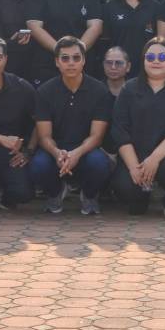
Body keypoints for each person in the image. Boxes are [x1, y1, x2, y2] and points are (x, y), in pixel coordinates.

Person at [110, 38, 165, 217]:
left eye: (162, 57)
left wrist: (154, 159)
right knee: (126, 190)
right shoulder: (129, 89)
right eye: (150, 57)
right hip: (136, 156)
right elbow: (120, 130)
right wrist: (134, 167)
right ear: (143, 61)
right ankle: (142, 194)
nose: (156, 61)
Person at [31, 37, 115, 214]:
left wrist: (77, 153)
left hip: (86, 151)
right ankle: (55, 192)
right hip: (56, 152)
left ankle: (89, 195)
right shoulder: (45, 91)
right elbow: (44, 136)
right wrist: (57, 153)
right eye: (65, 58)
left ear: (84, 60)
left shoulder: (100, 91)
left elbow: (97, 136)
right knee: (38, 165)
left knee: (99, 163)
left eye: (76, 58)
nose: (71, 63)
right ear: (57, 62)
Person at [102, 0, 160, 73]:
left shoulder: (155, 7)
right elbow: (105, 42)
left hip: (147, 69)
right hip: (117, 70)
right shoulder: (109, 7)